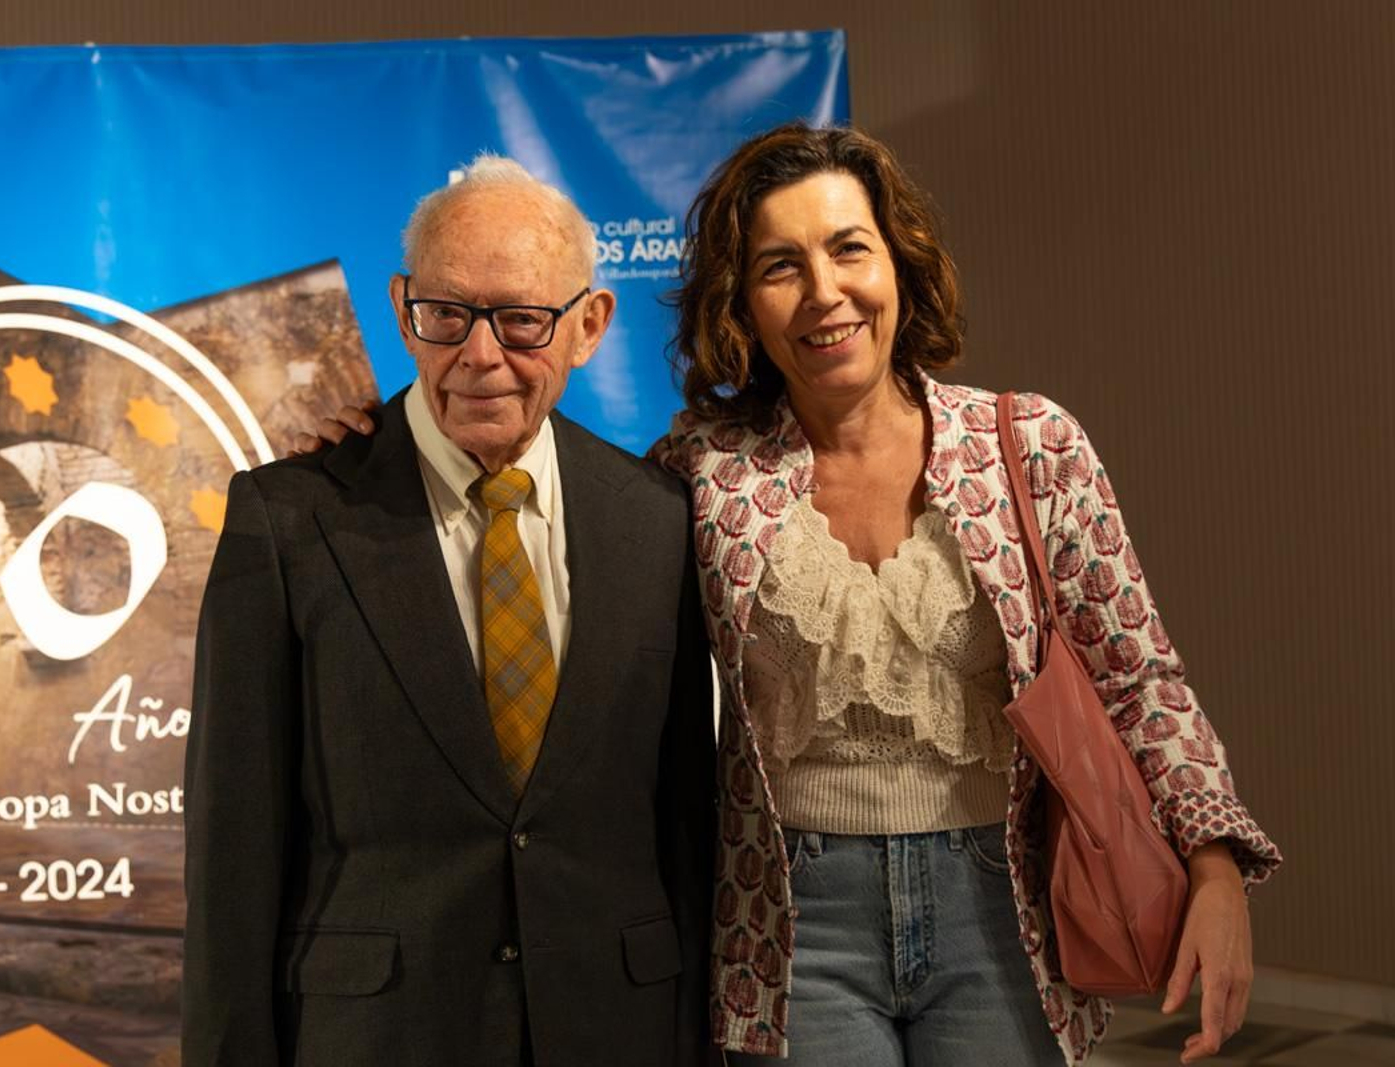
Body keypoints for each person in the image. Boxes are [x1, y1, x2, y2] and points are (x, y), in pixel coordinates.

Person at [301, 124, 1282, 1067]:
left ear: (897, 263)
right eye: (779, 267)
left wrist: (1215, 865)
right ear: (741, 302)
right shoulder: (699, 471)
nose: (824, 294)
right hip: (792, 930)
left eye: (848, 250)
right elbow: (547, 488)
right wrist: (374, 451)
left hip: (1003, 909)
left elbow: (1139, 676)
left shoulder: (1029, 445)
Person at [183, 156, 715, 1067]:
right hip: (375, 1037)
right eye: (447, 315)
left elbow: (684, 821)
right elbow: (233, 847)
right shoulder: (291, 517)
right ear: (402, 308)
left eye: (519, 320)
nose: (479, 355)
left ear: (589, 325)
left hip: (617, 1030)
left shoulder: (658, 518)